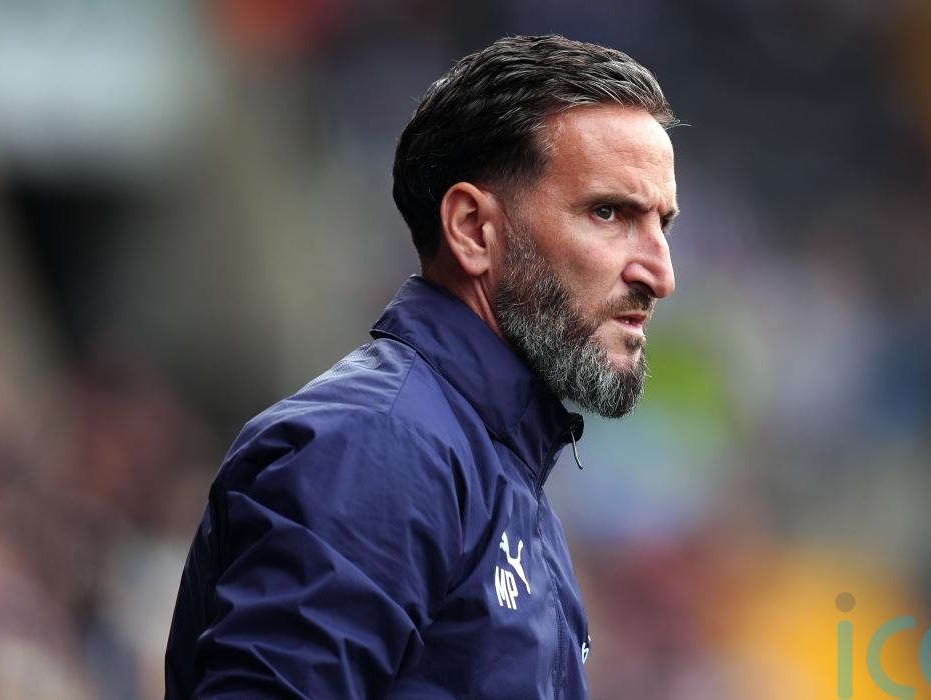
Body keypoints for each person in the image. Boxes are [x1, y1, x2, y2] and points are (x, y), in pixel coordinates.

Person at [165, 34, 678, 698]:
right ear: (471, 228)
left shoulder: (488, 462)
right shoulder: (378, 446)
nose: (660, 273)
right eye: (609, 213)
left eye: (663, 224)